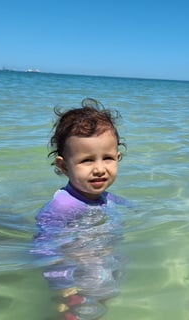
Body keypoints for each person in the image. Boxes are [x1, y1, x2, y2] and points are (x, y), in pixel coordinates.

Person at [32, 98, 128, 320]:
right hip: (75, 273)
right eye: (87, 160)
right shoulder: (62, 206)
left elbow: (117, 202)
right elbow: (43, 248)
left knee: (103, 300)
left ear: (118, 158)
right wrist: (63, 284)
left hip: (102, 262)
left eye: (108, 158)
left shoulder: (105, 196)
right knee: (78, 312)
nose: (99, 169)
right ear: (64, 166)